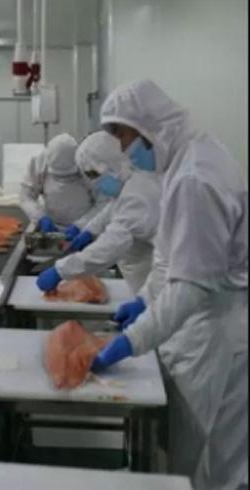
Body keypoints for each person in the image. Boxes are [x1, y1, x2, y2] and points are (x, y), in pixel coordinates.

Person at [90, 80, 248, 490]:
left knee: (205, 454)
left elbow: (191, 284)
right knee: (194, 450)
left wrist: (132, 341)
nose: (125, 150)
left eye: (125, 137)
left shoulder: (195, 176)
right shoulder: (185, 159)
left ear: (149, 126)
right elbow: (171, 258)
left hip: (215, 330)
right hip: (203, 321)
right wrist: (144, 300)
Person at [36, 130, 161, 295]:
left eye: (94, 175)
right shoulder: (134, 183)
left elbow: (109, 247)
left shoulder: (140, 196)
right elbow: (114, 208)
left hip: (160, 285)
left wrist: (60, 271)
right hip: (148, 281)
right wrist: (89, 230)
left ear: (112, 166)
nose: (95, 183)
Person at [20, 133, 104, 237]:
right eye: (58, 176)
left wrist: (82, 225)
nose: (63, 180)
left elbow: (103, 202)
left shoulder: (90, 165)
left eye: (69, 176)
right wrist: (40, 217)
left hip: (85, 229)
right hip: (51, 229)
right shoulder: (38, 163)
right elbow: (26, 197)